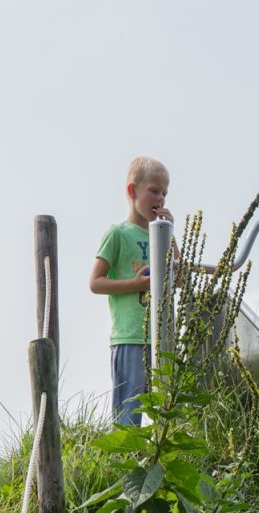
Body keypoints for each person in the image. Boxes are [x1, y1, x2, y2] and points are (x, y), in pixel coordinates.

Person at [89, 156, 177, 425]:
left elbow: (178, 277)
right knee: (129, 412)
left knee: (166, 411)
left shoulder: (160, 235)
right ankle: (123, 465)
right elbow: (96, 282)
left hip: (161, 336)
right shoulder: (118, 234)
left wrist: (171, 234)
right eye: (153, 190)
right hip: (130, 336)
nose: (160, 198)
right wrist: (135, 284)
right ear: (132, 191)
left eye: (164, 193)